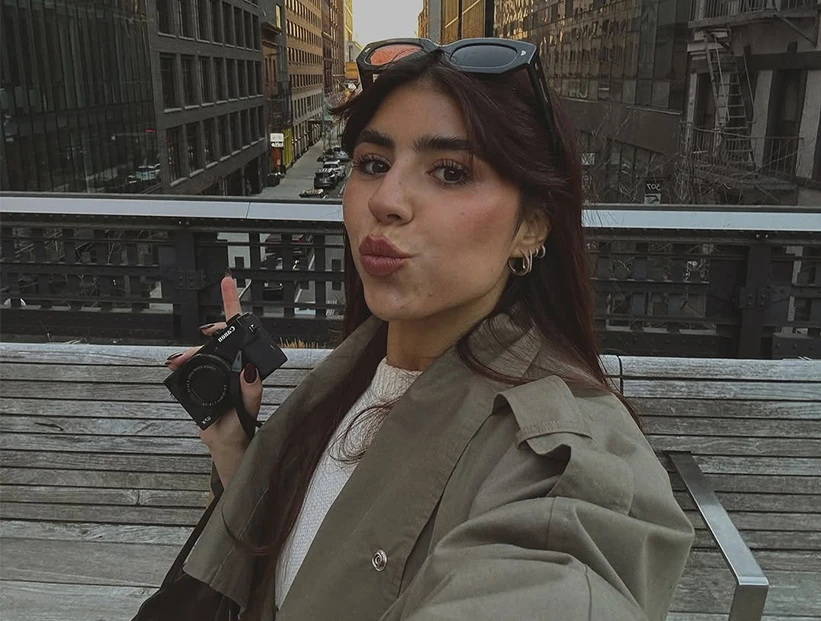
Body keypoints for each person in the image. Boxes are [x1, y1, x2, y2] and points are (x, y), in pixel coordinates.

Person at [163, 38, 694, 621]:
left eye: (450, 172)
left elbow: (566, 569)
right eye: (373, 163)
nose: (386, 200)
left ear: (530, 228)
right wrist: (238, 448)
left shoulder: (563, 456)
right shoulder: (355, 372)